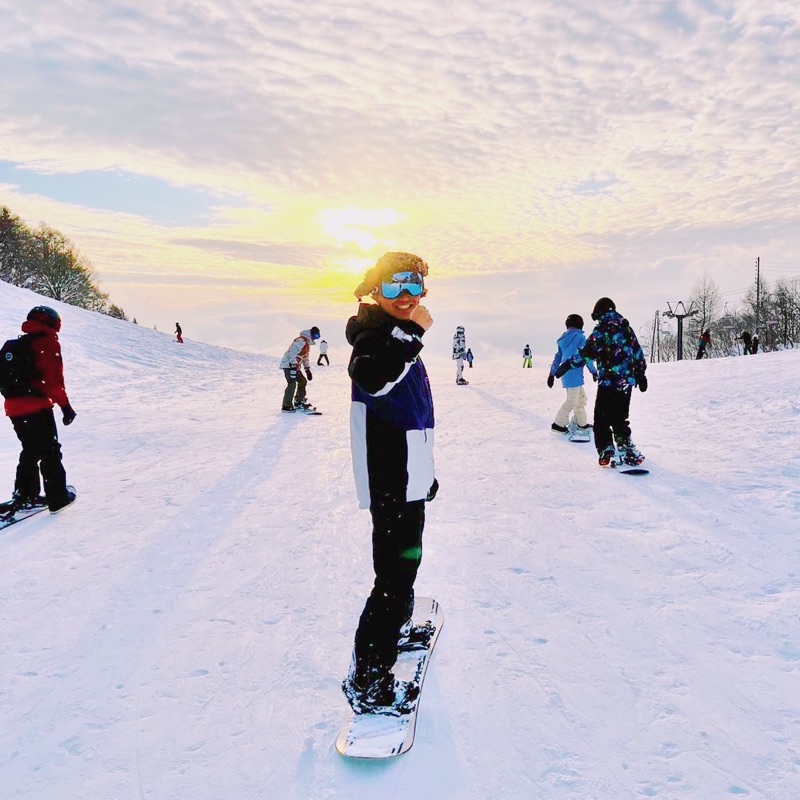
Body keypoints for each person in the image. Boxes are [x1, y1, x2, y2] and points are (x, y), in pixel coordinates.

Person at [342, 251, 438, 714]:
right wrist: (412, 332)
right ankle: (368, 679)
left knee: (407, 561)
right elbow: (373, 378)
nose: (406, 296)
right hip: (389, 476)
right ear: (376, 289)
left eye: (414, 285)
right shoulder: (373, 333)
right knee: (393, 577)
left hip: (407, 473)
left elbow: (411, 412)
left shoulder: (394, 333)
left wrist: (426, 475)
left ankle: (397, 628)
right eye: (395, 285)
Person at [3, 306, 77, 513]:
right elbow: (54, 381)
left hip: (14, 408)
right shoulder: (47, 343)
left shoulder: (16, 345)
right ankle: (58, 498)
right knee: (50, 451)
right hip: (36, 406)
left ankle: (26, 495)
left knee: (31, 449)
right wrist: (66, 407)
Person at [559, 297, 647, 467]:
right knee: (620, 418)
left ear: (600, 313)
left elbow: (587, 352)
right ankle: (627, 449)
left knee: (601, 420)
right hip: (625, 384)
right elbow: (637, 352)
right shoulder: (626, 328)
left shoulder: (602, 330)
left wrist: (569, 364)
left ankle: (606, 448)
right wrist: (641, 374)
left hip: (608, 383)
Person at [547, 314, 597, 434]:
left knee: (580, 400)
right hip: (574, 375)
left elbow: (558, 357)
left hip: (567, 375)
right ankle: (558, 424)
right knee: (571, 401)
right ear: (580, 325)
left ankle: (581, 423)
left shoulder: (563, 340)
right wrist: (594, 371)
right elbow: (586, 356)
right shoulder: (580, 338)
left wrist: (552, 374)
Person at [279, 326, 320, 412]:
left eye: (318, 337)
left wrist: (307, 369)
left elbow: (305, 357)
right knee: (292, 383)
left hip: (294, 366)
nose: (315, 338)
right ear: (311, 334)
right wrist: (293, 363)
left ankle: (299, 401)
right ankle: (286, 406)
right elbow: (293, 352)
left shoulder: (307, 343)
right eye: (315, 336)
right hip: (288, 365)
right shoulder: (301, 340)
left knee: (302, 381)